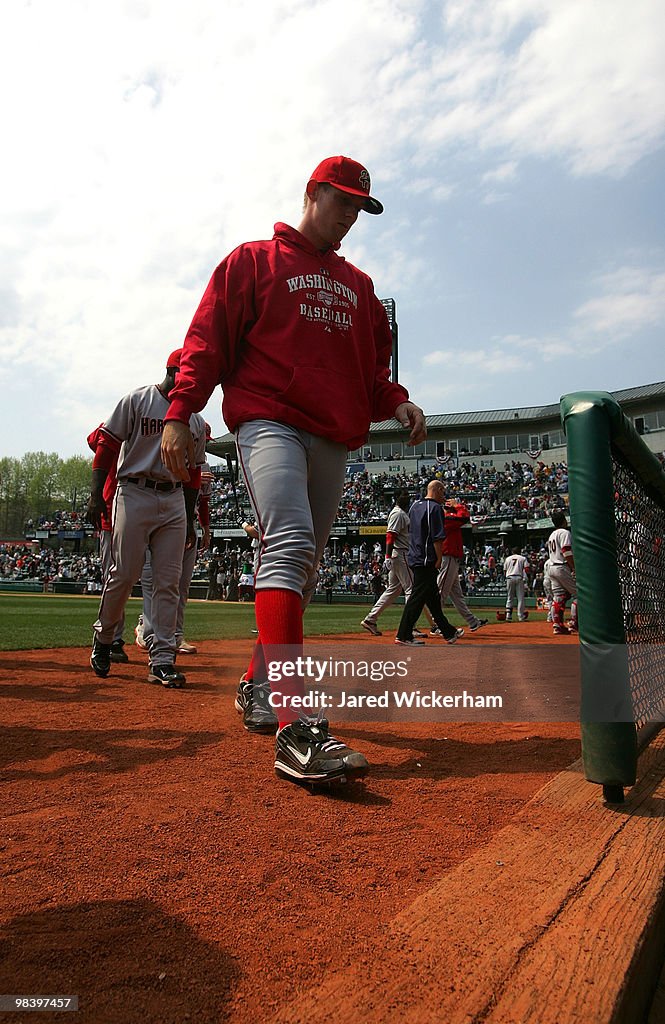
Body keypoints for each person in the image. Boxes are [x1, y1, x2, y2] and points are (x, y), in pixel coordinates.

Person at [160, 154, 426, 784]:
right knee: (290, 543)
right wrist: (180, 412)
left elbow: (372, 372)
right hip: (269, 420)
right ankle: (296, 724)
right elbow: (207, 340)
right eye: (343, 202)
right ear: (312, 193)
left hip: (333, 431)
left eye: (360, 208)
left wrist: (397, 400)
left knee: (302, 572)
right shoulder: (255, 260)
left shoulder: (359, 288)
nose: (351, 217)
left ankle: (257, 682)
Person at [88, 350, 206, 687]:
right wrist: (97, 495)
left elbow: (194, 475)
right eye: (186, 375)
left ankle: (162, 659)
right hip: (133, 491)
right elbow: (106, 446)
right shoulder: (138, 400)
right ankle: (105, 637)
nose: (192, 384)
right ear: (171, 371)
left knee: (168, 583)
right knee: (123, 575)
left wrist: (187, 517)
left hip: (172, 497)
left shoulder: (194, 420)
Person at [394, 480, 464, 646]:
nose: (444, 495)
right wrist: (439, 558)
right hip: (427, 558)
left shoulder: (414, 506)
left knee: (433, 598)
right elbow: (437, 537)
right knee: (417, 598)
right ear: (437, 490)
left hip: (415, 555)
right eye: (443, 491)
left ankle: (449, 632)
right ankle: (403, 635)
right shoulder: (435, 508)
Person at [86, 424, 128, 664]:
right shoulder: (115, 432)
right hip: (112, 516)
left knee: (157, 581)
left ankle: (151, 635)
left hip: (147, 513)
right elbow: (95, 439)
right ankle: (112, 639)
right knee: (115, 580)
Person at [431, 497, 489, 635]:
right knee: (441, 592)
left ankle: (472, 622)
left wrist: (456, 506)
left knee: (457, 595)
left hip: (452, 559)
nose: (452, 511)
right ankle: (436, 624)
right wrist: (458, 506)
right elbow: (464, 517)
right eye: (450, 509)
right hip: (447, 558)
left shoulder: (448, 518)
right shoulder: (446, 518)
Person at [361, 490, 413, 637]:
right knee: (411, 589)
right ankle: (409, 627)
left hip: (400, 553)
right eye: (404, 495)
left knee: (394, 590)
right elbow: (390, 535)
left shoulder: (401, 513)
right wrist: (388, 556)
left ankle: (371, 619)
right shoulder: (398, 513)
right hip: (401, 553)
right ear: (397, 499)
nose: (407, 498)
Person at [547, 510, 578, 635]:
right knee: (579, 595)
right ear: (564, 521)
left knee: (558, 597)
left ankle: (557, 625)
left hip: (551, 567)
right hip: (561, 566)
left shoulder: (552, 534)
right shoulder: (565, 532)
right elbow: (566, 551)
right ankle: (574, 623)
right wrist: (573, 567)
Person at [503, 546, 529, 622]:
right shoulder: (522, 558)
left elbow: (504, 570)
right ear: (520, 551)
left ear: (512, 552)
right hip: (518, 577)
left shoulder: (507, 559)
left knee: (510, 597)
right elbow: (527, 569)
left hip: (509, 577)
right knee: (520, 598)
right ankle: (520, 616)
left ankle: (508, 616)